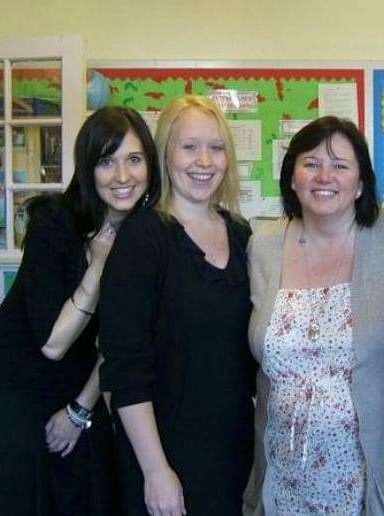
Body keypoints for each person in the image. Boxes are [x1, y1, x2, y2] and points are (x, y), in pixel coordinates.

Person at [0, 105, 159, 516]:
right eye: (107, 161)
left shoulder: (150, 235)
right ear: (87, 168)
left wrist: (80, 410)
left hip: (81, 387)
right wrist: (102, 266)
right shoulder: (55, 222)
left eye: (134, 160)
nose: (122, 177)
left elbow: (125, 342)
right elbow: (53, 343)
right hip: (18, 388)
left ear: (150, 165)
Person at [243, 116, 384, 515]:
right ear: (292, 178)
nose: (324, 176)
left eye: (340, 165)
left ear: (361, 182)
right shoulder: (263, 245)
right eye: (311, 163)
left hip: (367, 477)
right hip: (283, 471)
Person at [99, 95, 256, 516]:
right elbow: (124, 368)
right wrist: (155, 471)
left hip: (231, 450)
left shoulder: (242, 236)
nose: (204, 161)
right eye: (189, 147)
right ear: (165, 153)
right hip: (164, 454)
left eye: (216, 147)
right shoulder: (143, 238)